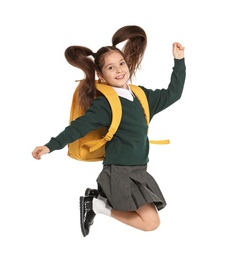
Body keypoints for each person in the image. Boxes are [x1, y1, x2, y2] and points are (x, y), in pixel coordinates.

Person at [32, 25, 186, 237]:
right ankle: (96, 205)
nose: (119, 70)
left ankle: (97, 201)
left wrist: (179, 61)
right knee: (151, 223)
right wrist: (50, 146)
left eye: (121, 63)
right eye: (111, 67)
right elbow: (79, 127)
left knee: (151, 220)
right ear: (101, 74)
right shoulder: (105, 105)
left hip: (139, 170)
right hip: (119, 172)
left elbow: (173, 94)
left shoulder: (141, 96)